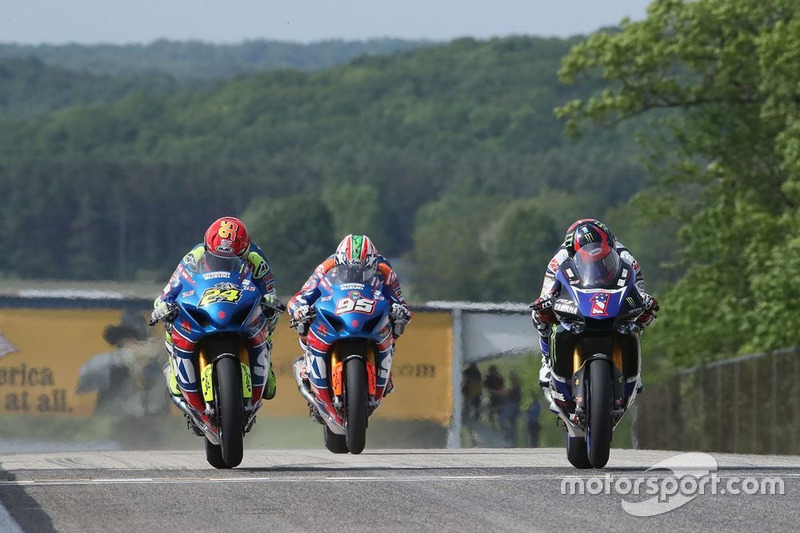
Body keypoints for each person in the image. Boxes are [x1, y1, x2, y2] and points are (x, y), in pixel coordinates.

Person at [530, 219, 659, 408]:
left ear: (610, 243)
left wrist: (645, 301)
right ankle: (547, 361)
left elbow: (638, 289)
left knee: (640, 316)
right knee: (540, 315)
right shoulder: (560, 258)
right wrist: (545, 301)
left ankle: (633, 370)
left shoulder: (626, 257)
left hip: (612, 297)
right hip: (579, 299)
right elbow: (547, 291)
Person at [151, 216, 282, 401]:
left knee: (269, 316)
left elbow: (269, 291)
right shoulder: (194, 257)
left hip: (239, 302)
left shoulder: (256, 259)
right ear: (207, 248)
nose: (223, 263)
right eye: (217, 259)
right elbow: (170, 289)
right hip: (206, 303)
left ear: (244, 252)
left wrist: (270, 303)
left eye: (233, 260)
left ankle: (265, 365)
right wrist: (163, 304)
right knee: (170, 318)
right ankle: (174, 367)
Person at [287, 234, 412, 395]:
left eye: (363, 272)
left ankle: (385, 372)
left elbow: (400, 301)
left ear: (373, 265)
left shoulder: (385, 270)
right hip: (339, 308)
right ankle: (307, 362)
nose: (355, 275)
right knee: (304, 322)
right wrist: (300, 309)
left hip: (367, 311)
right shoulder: (326, 266)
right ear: (339, 263)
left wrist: (400, 310)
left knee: (394, 325)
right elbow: (300, 296)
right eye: (348, 271)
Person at [498, 371, 522, 446]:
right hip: (514, 408)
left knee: (501, 419)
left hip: (512, 408)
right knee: (513, 424)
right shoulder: (515, 387)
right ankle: (514, 443)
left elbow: (506, 393)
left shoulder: (516, 388)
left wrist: (496, 392)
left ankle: (508, 434)